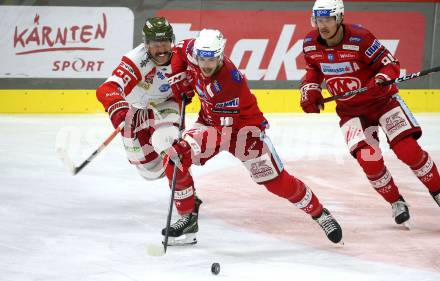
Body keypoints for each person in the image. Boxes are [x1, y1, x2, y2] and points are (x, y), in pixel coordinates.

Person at [160, 29, 343, 246]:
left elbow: (224, 134)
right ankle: (188, 217)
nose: (206, 65)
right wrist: (178, 78)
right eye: (201, 59)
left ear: (220, 56)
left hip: (244, 132)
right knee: (174, 159)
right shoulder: (191, 50)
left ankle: (320, 213)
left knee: (276, 182)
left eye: (211, 60)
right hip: (211, 121)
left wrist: (187, 143)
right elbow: (178, 53)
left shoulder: (228, 82)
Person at [300, 0, 440, 226]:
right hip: (349, 111)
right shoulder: (309, 43)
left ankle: (438, 190)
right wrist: (310, 90)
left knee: (409, 151)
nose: (323, 25)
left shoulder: (360, 38)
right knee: (369, 161)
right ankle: (396, 201)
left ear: (339, 18)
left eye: (328, 19)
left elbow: (390, 64)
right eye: (319, 20)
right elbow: (313, 70)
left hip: (383, 103)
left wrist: (381, 79)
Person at [96, 17, 181, 182]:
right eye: (156, 45)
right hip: (136, 111)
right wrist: (120, 111)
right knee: (150, 171)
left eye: (165, 44)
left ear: (172, 41)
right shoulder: (136, 60)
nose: (162, 50)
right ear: (146, 44)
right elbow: (107, 89)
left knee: (170, 145)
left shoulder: (181, 59)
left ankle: (183, 189)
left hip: (166, 104)